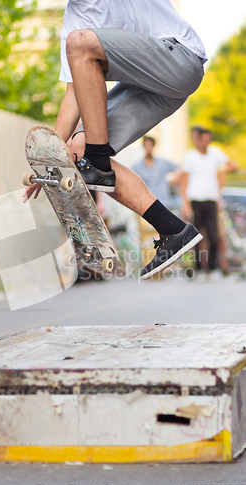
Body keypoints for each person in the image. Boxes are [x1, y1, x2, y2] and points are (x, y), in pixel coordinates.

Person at [25, 0, 206, 279]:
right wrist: (49, 163)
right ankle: (173, 229)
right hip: (151, 88)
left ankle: (97, 162)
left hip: (179, 57)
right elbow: (75, 93)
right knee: (75, 150)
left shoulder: (80, 37)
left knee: (80, 43)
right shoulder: (74, 19)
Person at [180, 126, 238, 276]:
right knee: (196, 236)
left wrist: (221, 170)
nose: (205, 143)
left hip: (211, 200)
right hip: (196, 200)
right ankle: (199, 268)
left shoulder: (215, 154)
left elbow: (233, 165)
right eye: (203, 139)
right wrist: (185, 203)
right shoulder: (190, 156)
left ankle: (212, 268)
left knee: (213, 235)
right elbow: (184, 181)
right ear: (198, 139)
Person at [132, 136, 181, 211]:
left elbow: (180, 168)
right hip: (147, 204)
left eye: (150, 145)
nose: (148, 148)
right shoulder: (137, 166)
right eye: (146, 146)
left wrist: (174, 181)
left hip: (164, 203)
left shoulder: (163, 162)